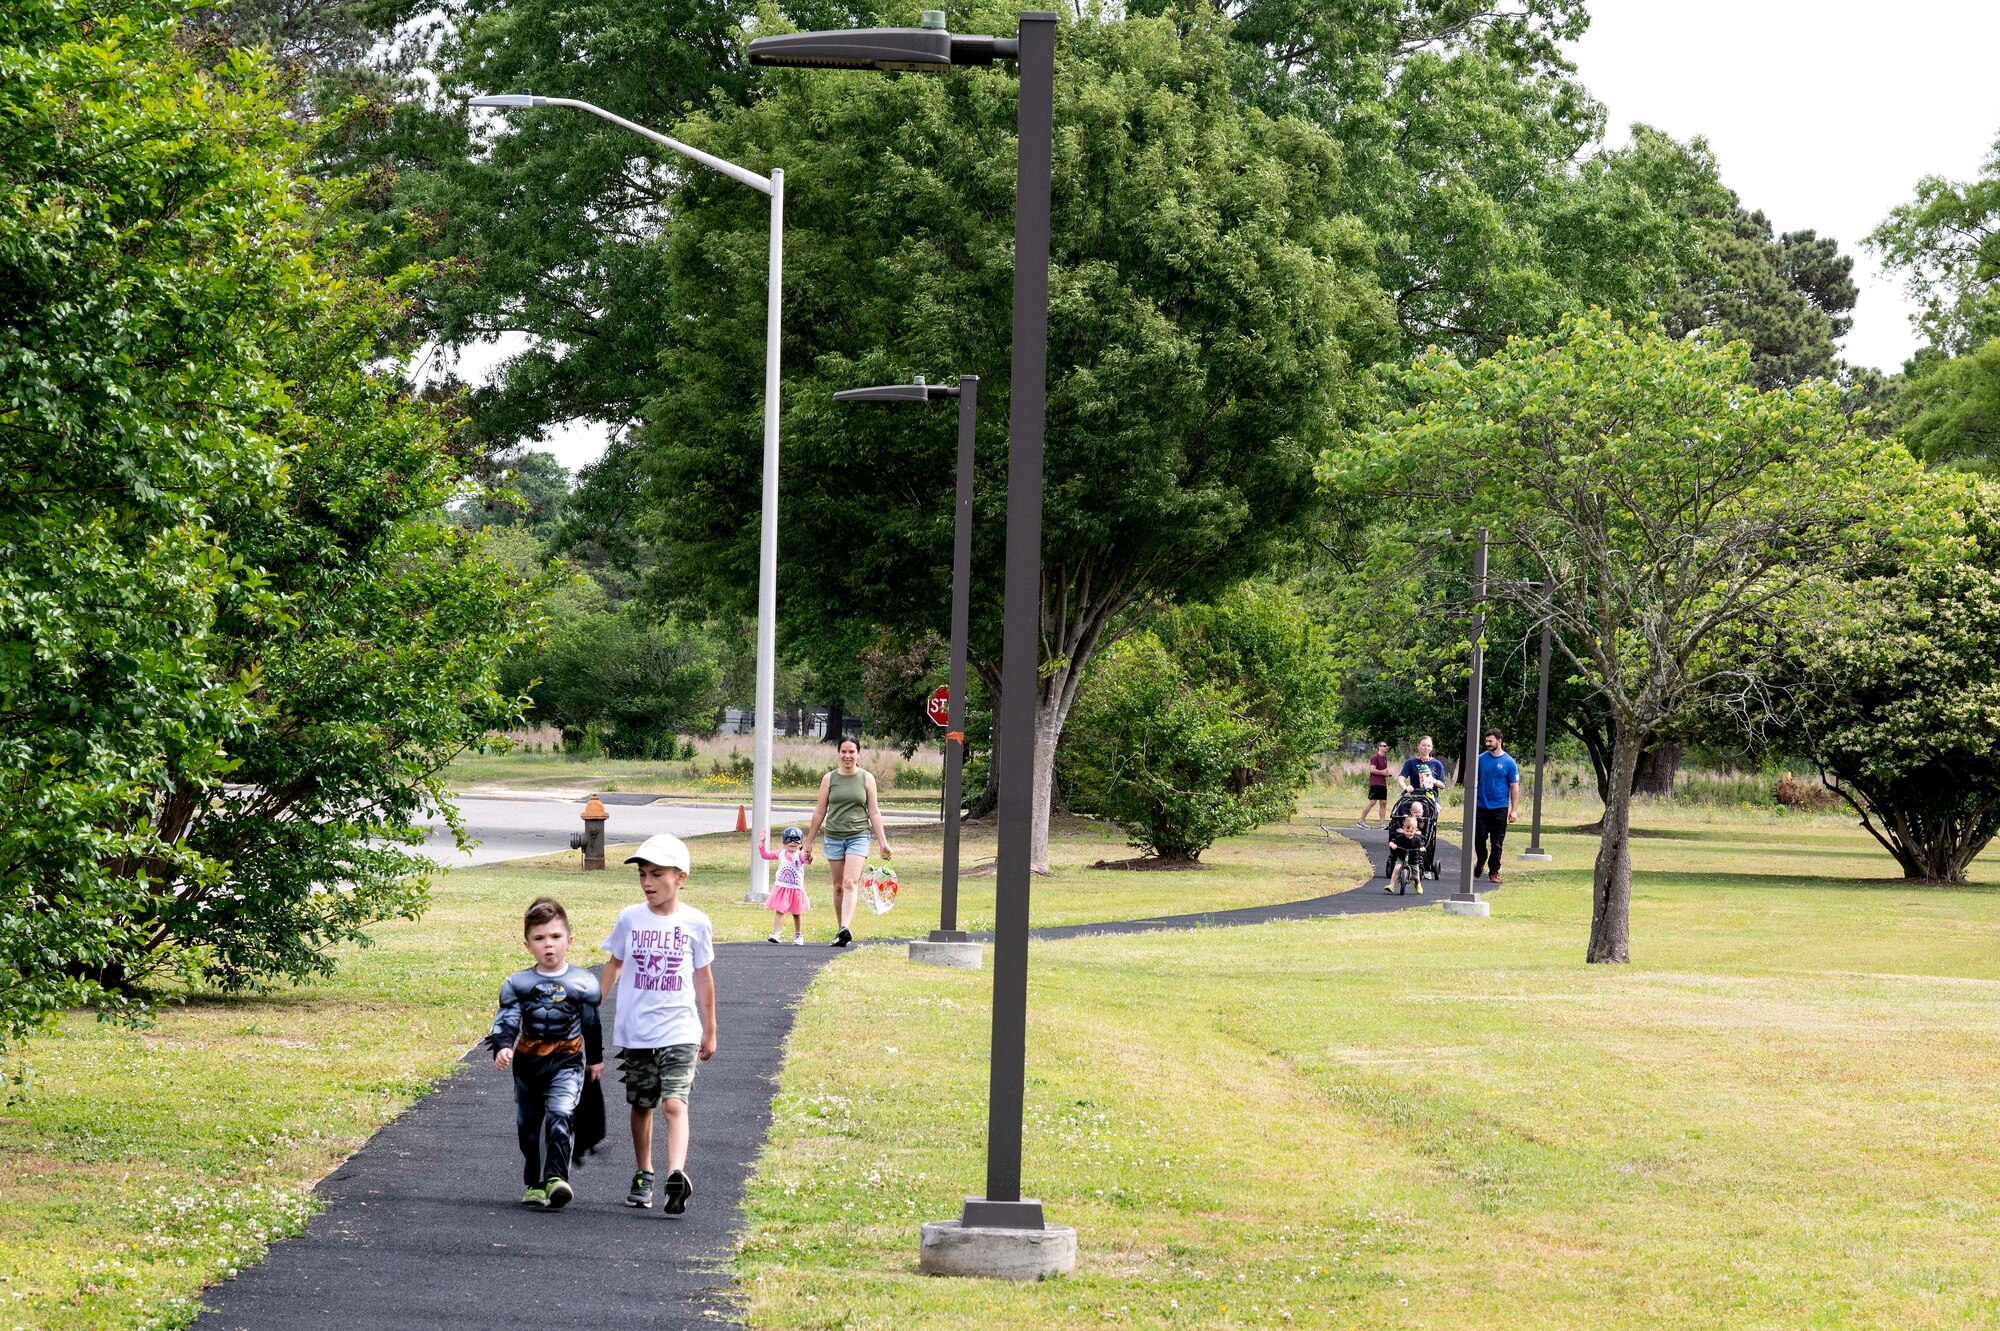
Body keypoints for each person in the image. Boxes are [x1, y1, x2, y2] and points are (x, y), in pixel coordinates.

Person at [600, 833, 715, 1216]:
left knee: (674, 1102)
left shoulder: (696, 922)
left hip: (680, 1030)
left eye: (657, 874)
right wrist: (589, 1005)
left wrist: (709, 1029)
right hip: (636, 1031)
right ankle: (644, 1171)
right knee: (642, 1103)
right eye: (643, 875)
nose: (648, 882)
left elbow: (703, 977)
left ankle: (676, 1175)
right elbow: (615, 965)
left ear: (680, 877)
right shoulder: (630, 919)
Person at [488, 897, 604, 1210]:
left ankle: (555, 1177)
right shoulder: (517, 983)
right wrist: (502, 1046)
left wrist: (595, 1060)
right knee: (528, 1126)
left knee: (561, 1113)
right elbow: (508, 1018)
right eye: (539, 939)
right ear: (528, 944)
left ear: (569, 940)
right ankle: (535, 1182)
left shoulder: (584, 983)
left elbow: (591, 1024)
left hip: (567, 1059)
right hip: (528, 1060)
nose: (548, 946)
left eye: (555, 937)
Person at [803, 736, 896, 948]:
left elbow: (874, 812)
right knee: (837, 887)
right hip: (834, 836)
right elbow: (819, 811)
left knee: (850, 882)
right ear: (838, 753)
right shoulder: (829, 779)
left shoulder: (866, 778)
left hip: (858, 836)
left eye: (852, 752)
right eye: (844, 751)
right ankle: (841, 931)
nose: (847, 756)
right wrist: (808, 843)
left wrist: (883, 842)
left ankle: (846, 926)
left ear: (858, 754)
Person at [1473, 728, 1521, 884]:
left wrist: (1514, 810)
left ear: (1499, 741)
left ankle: (1494, 871)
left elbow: (1514, 787)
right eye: (1486, 741)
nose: (1487, 744)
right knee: (1479, 838)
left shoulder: (1509, 762)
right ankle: (1481, 859)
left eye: (1490, 741)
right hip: (1481, 806)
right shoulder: (1480, 759)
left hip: (1500, 807)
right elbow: (1473, 781)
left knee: (1497, 841)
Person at [759, 825, 811, 944]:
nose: (792, 842)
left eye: (796, 840)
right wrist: (762, 843)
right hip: (782, 888)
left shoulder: (800, 855)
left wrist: (809, 857)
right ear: (784, 841)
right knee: (779, 910)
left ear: (800, 842)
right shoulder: (780, 853)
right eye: (789, 839)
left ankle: (798, 935)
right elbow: (766, 855)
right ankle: (776, 933)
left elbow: (806, 860)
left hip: (796, 889)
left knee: (797, 913)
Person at [1384, 812, 1427, 895]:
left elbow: (1421, 846)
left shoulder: (1417, 839)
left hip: (1413, 859)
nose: (1409, 833)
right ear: (1403, 829)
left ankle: (1417, 885)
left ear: (1415, 830)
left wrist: (1422, 848)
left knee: (1416, 877)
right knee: (1396, 868)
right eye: (1407, 831)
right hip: (1401, 857)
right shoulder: (1400, 838)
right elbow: (1392, 842)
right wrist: (1392, 845)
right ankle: (1392, 885)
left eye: (1411, 831)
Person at [1357, 740, 1392, 827]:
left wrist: (1386, 774)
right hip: (1375, 783)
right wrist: (1381, 773)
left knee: (1383, 802)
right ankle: (1361, 820)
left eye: (1386, 746)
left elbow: (1384, 770)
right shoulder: (1375, 757)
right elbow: (1372, 770)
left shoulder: (1384, 758)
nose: (1385, 747)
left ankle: (1382, 823)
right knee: (1372, 802)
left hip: (1382, 783)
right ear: (1379, 747)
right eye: (1384, 746)